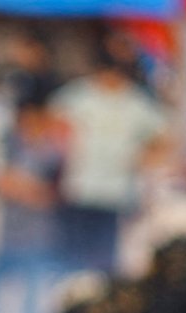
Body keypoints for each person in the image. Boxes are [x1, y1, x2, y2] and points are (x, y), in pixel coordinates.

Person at [51, 53, 170, 276]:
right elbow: (53, 122)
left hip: (116, 191)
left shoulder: (135, 101)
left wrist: (143, 158)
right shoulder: (80, 95)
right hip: (81, 186)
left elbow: (163, 136)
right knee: (71, 255)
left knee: (105, 258)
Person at [0, 97, 63, 313]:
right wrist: (25, 188)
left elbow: (54, 195)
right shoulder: (8, 147)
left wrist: (21, 187)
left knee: (33, 304)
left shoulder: (53, 154)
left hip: (39, 239)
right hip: (7, 237)